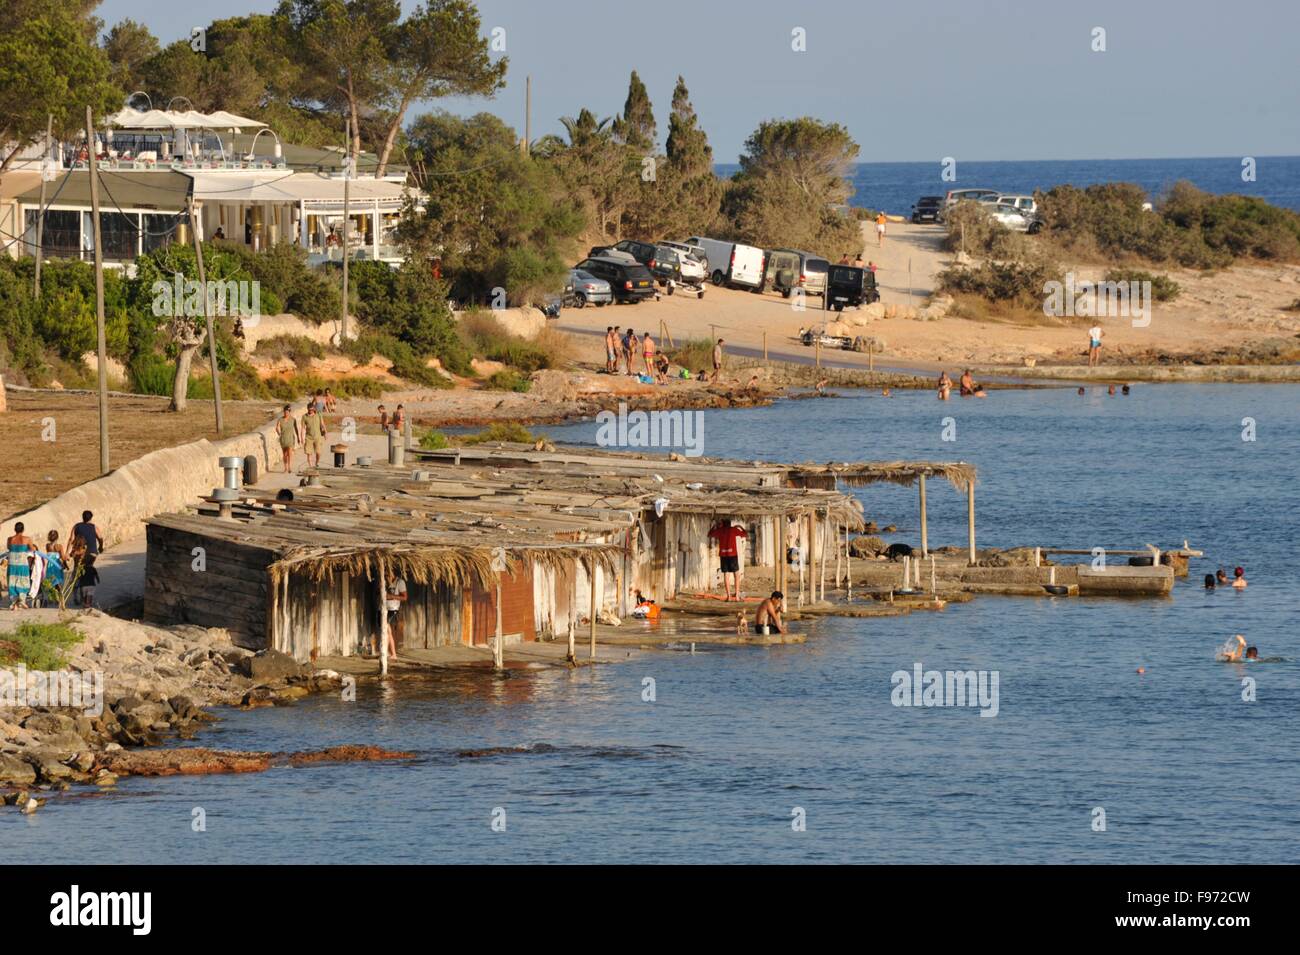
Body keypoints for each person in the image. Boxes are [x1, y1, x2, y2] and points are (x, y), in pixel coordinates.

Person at [708, 518, 748, 600]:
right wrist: (740, 527)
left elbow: (709, 534)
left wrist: (714, 527)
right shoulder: (734, 529)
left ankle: (729, 596)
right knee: (736, 574)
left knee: (726, 575)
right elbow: (745, 534)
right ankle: (737, 596)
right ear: (730, 523)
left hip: (723, 555)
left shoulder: (720, 530)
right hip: (733, 555)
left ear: (722, 523)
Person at [6, 522, 34, 609]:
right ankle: (22, 600)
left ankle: (14, 603)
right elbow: (32, 549)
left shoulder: (10, 539)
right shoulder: (27, 539)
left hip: (12, 563)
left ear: (15, 529)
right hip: (22, 563)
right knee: (23, 581)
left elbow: (9, 548)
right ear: (23, 529)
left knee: (12, 581)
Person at [383, 571, 407, 660]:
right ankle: (391, 653)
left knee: (387, 630)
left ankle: (389, 653)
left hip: (392, 609)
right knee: (387, 631)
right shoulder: (384, 580)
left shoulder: (400, 582)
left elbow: (404, 597)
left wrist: (392, 596)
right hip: (382, 608)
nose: (387, 575)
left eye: (388, 573)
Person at [43, 531, 66, 605]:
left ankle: (52, 598)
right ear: (57, 537)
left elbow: (49, 556)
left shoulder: (47, 546)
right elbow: (62, 557)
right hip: (56, 566)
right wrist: (65, 564)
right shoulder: (59, 546)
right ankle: (60, 598)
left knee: (51, 582)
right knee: (57, 582)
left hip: (50, 566)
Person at [275, 404, 300, 473]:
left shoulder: (293, 419)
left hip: (290, 438)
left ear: (289, 412)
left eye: (287, 412)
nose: (286, 413)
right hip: (283, 438)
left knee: (290, 452)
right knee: (285, 454)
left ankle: (289, 467)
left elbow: (296, 428)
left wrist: (298, 437)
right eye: (285, 412)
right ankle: (285, 468)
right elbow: (277, 427)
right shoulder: (280, 419)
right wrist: (279, 433)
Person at [302, 401, 326, 468]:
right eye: (310, 410)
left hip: (317, 437)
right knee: (309, 453)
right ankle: (310, 466)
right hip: (308, 437)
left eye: (312, 409)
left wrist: (325, 434)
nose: (311, 411)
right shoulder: (304, 417)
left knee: (318, 452)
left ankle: (316, 462)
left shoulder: (318, 415)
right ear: (307, 409)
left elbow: (322, 424)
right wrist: (301, 438)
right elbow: (303, 428)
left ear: (314, 409)